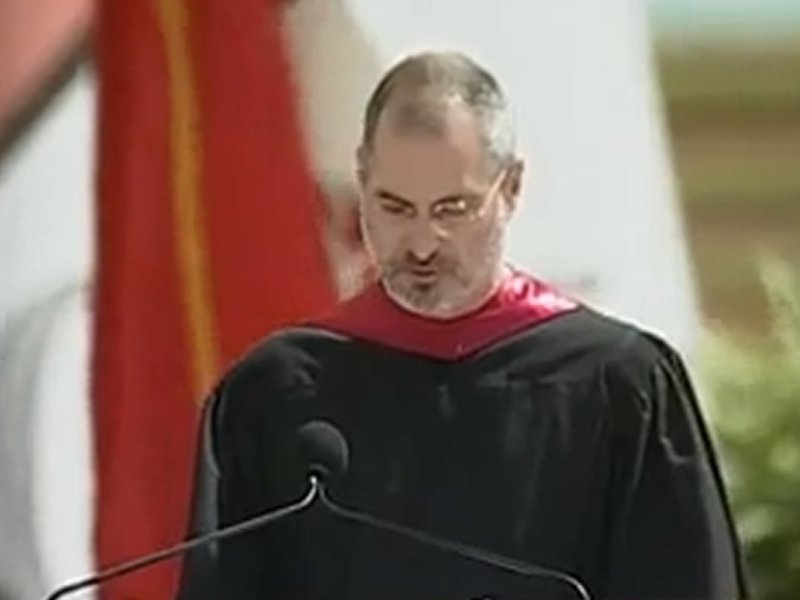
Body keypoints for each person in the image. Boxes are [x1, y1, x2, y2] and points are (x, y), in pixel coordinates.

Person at [176, 51, 748, 600]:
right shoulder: (276, 392)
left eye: (453, 209)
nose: (422, 245)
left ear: (511, 187)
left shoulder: (619, 384)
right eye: (396, 208)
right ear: (362, 180)